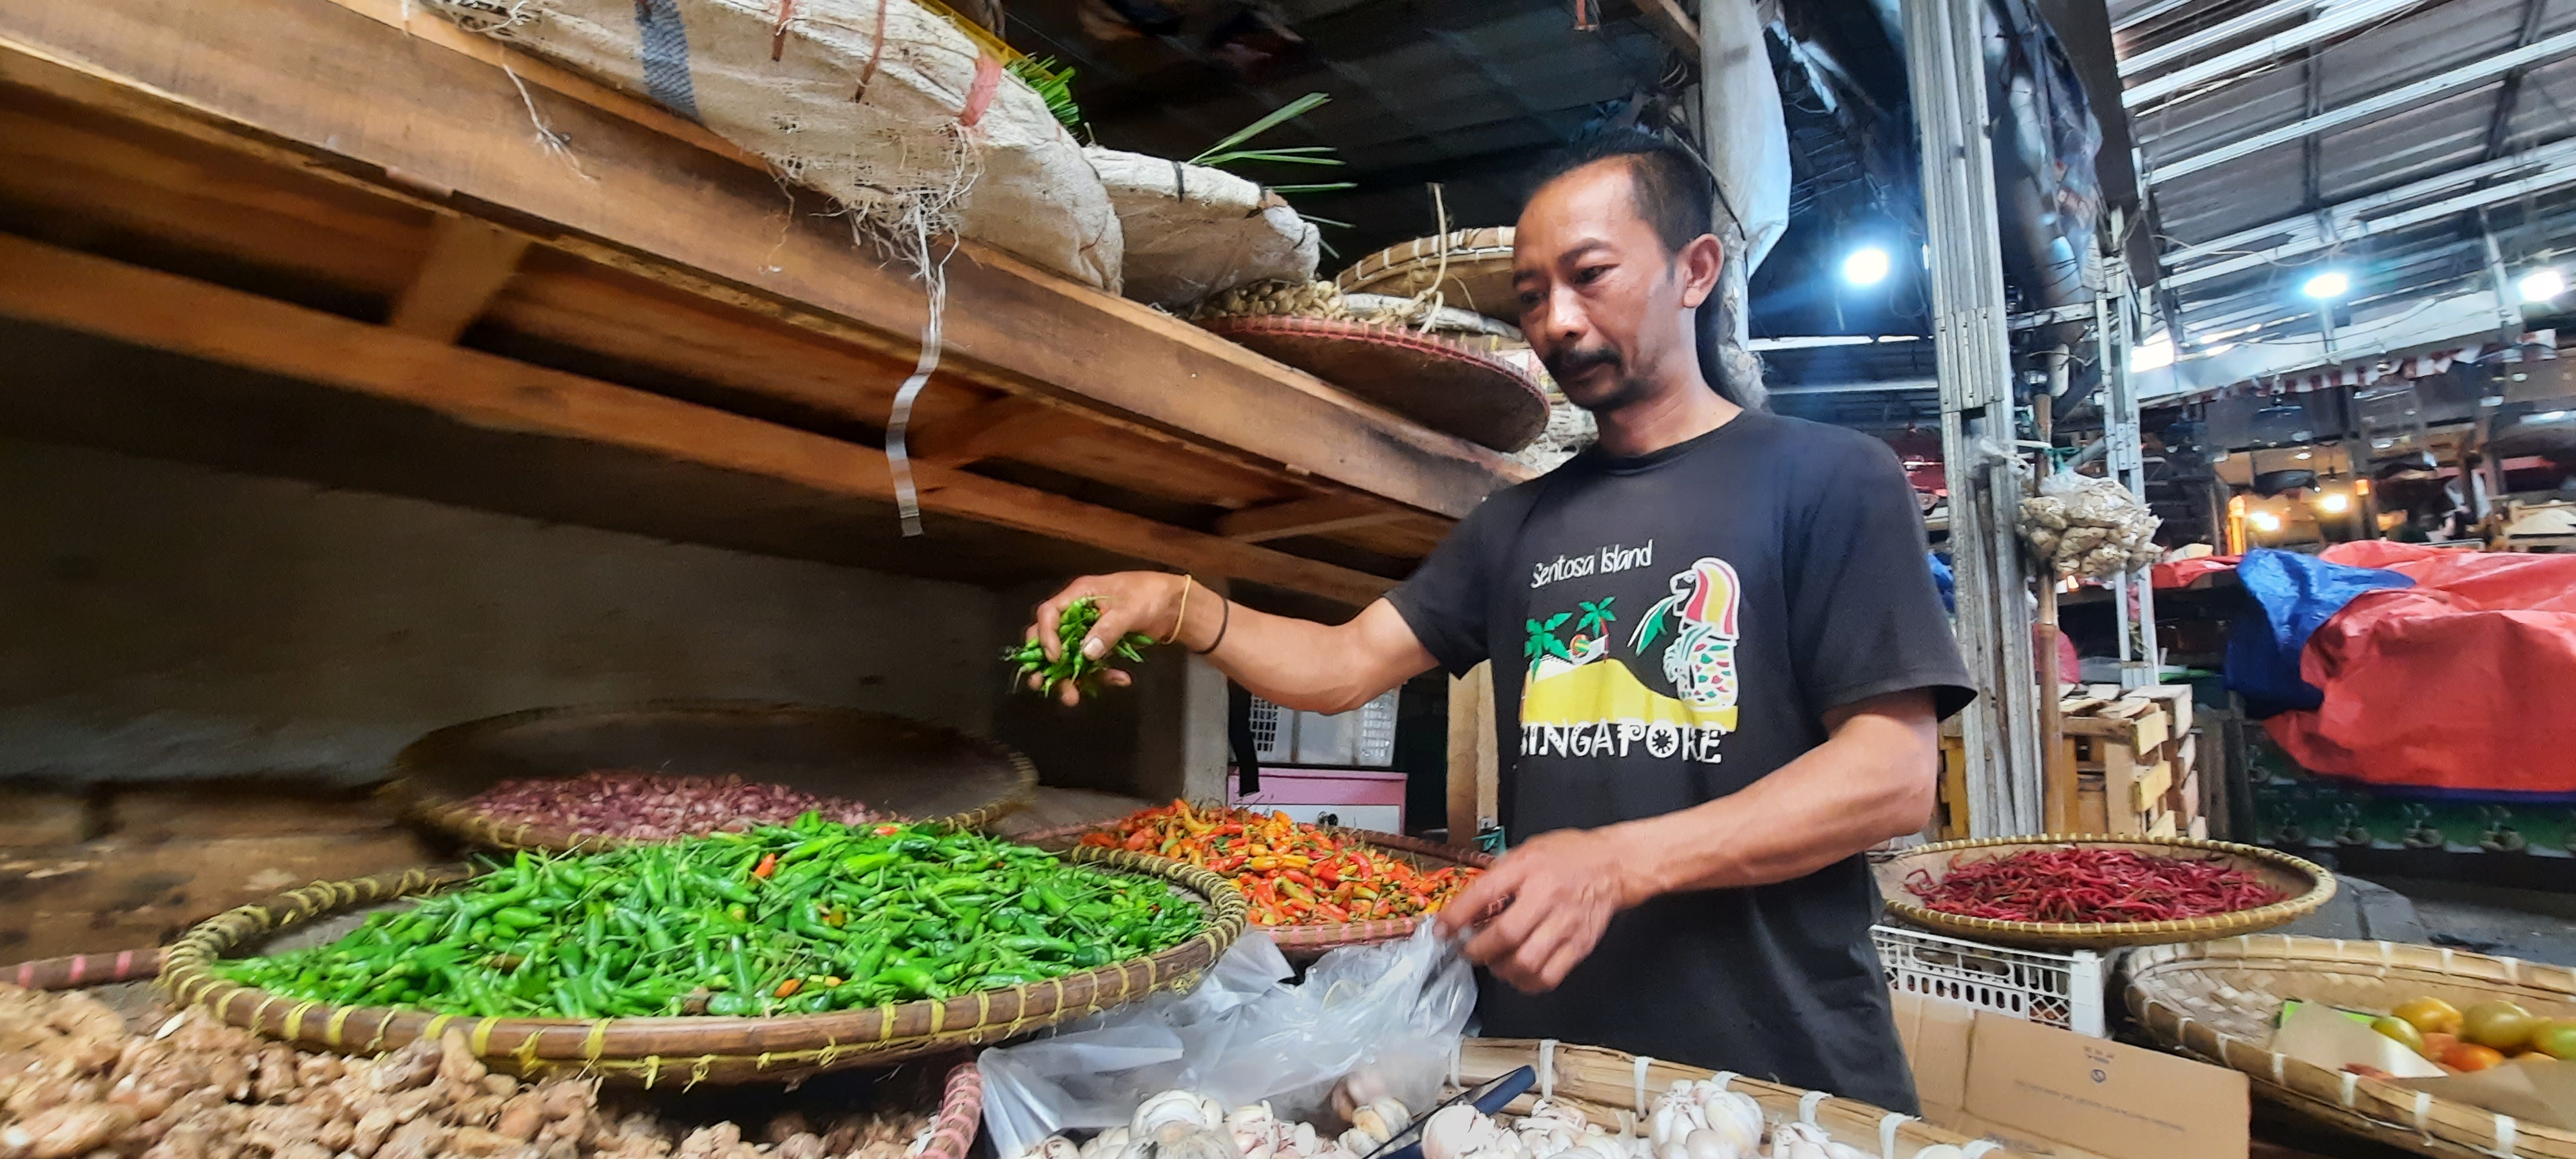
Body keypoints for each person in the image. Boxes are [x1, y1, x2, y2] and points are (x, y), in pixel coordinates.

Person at [1017, 129, 1971, 1111]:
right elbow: (1343, 664)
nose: (1557, 320)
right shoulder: (1516, 522)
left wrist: (1616, 861)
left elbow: (1891, 777)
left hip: (1780, 1069)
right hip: (1545, 1071)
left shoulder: (1825, 478)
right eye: (1529, 295)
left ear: (1695, 271)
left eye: (1590, 276)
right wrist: (1179, 604)